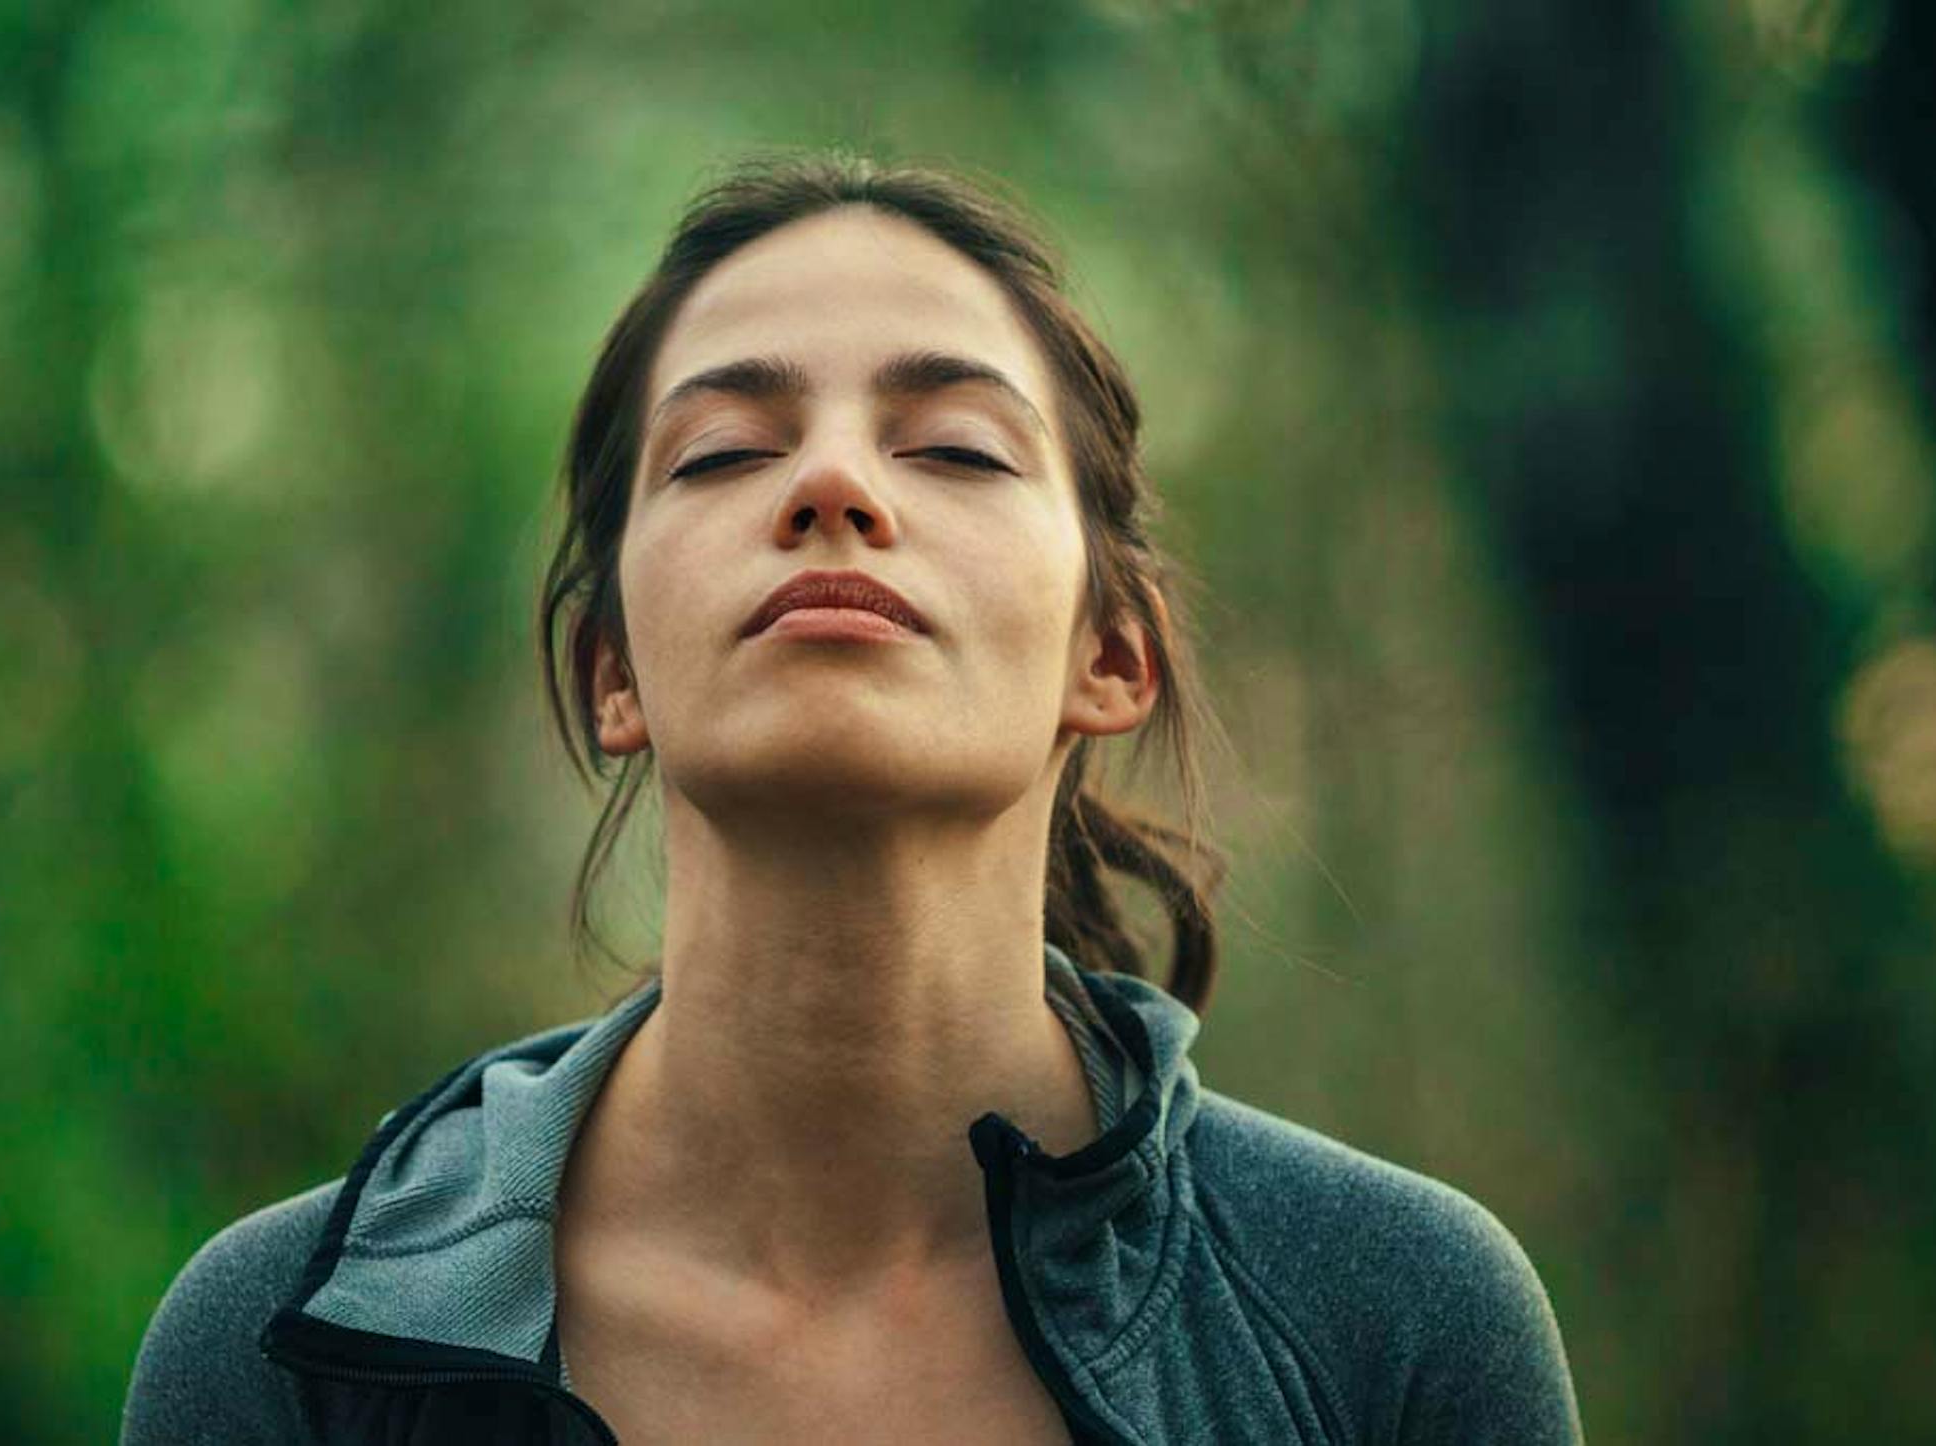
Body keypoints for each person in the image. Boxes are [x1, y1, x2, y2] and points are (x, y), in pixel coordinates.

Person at [119, 151, 1583, 1445]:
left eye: (953, 446)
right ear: (612, 668)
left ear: (1112, 652)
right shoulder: (283, 1346)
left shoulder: (1395, 1322)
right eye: (725, 452)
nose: (830, 482)